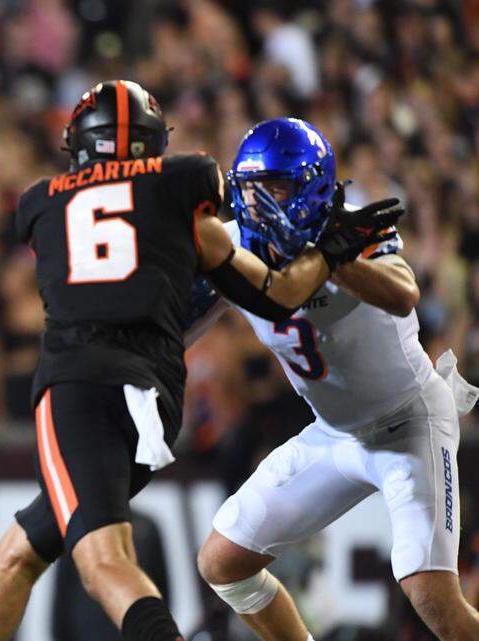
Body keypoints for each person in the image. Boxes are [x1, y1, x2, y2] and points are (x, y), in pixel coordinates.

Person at [0, 81, 402, 641]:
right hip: (156, 399)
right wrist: (330, 253)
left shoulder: (42, 200)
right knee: (20, 553)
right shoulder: (185, 185)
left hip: (80, 388)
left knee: (103, 563)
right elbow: (278, 294)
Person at [191, 118, 479, 641]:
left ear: (313, 186)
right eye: (252, 189)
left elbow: (403, 291)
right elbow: (188, 322)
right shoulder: (232, 242)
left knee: (433, 597)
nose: (261, 204)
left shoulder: (348, 228)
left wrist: (336, 259)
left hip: (408, 421)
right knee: (221, 562)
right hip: (334, 433)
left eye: (276, 187)